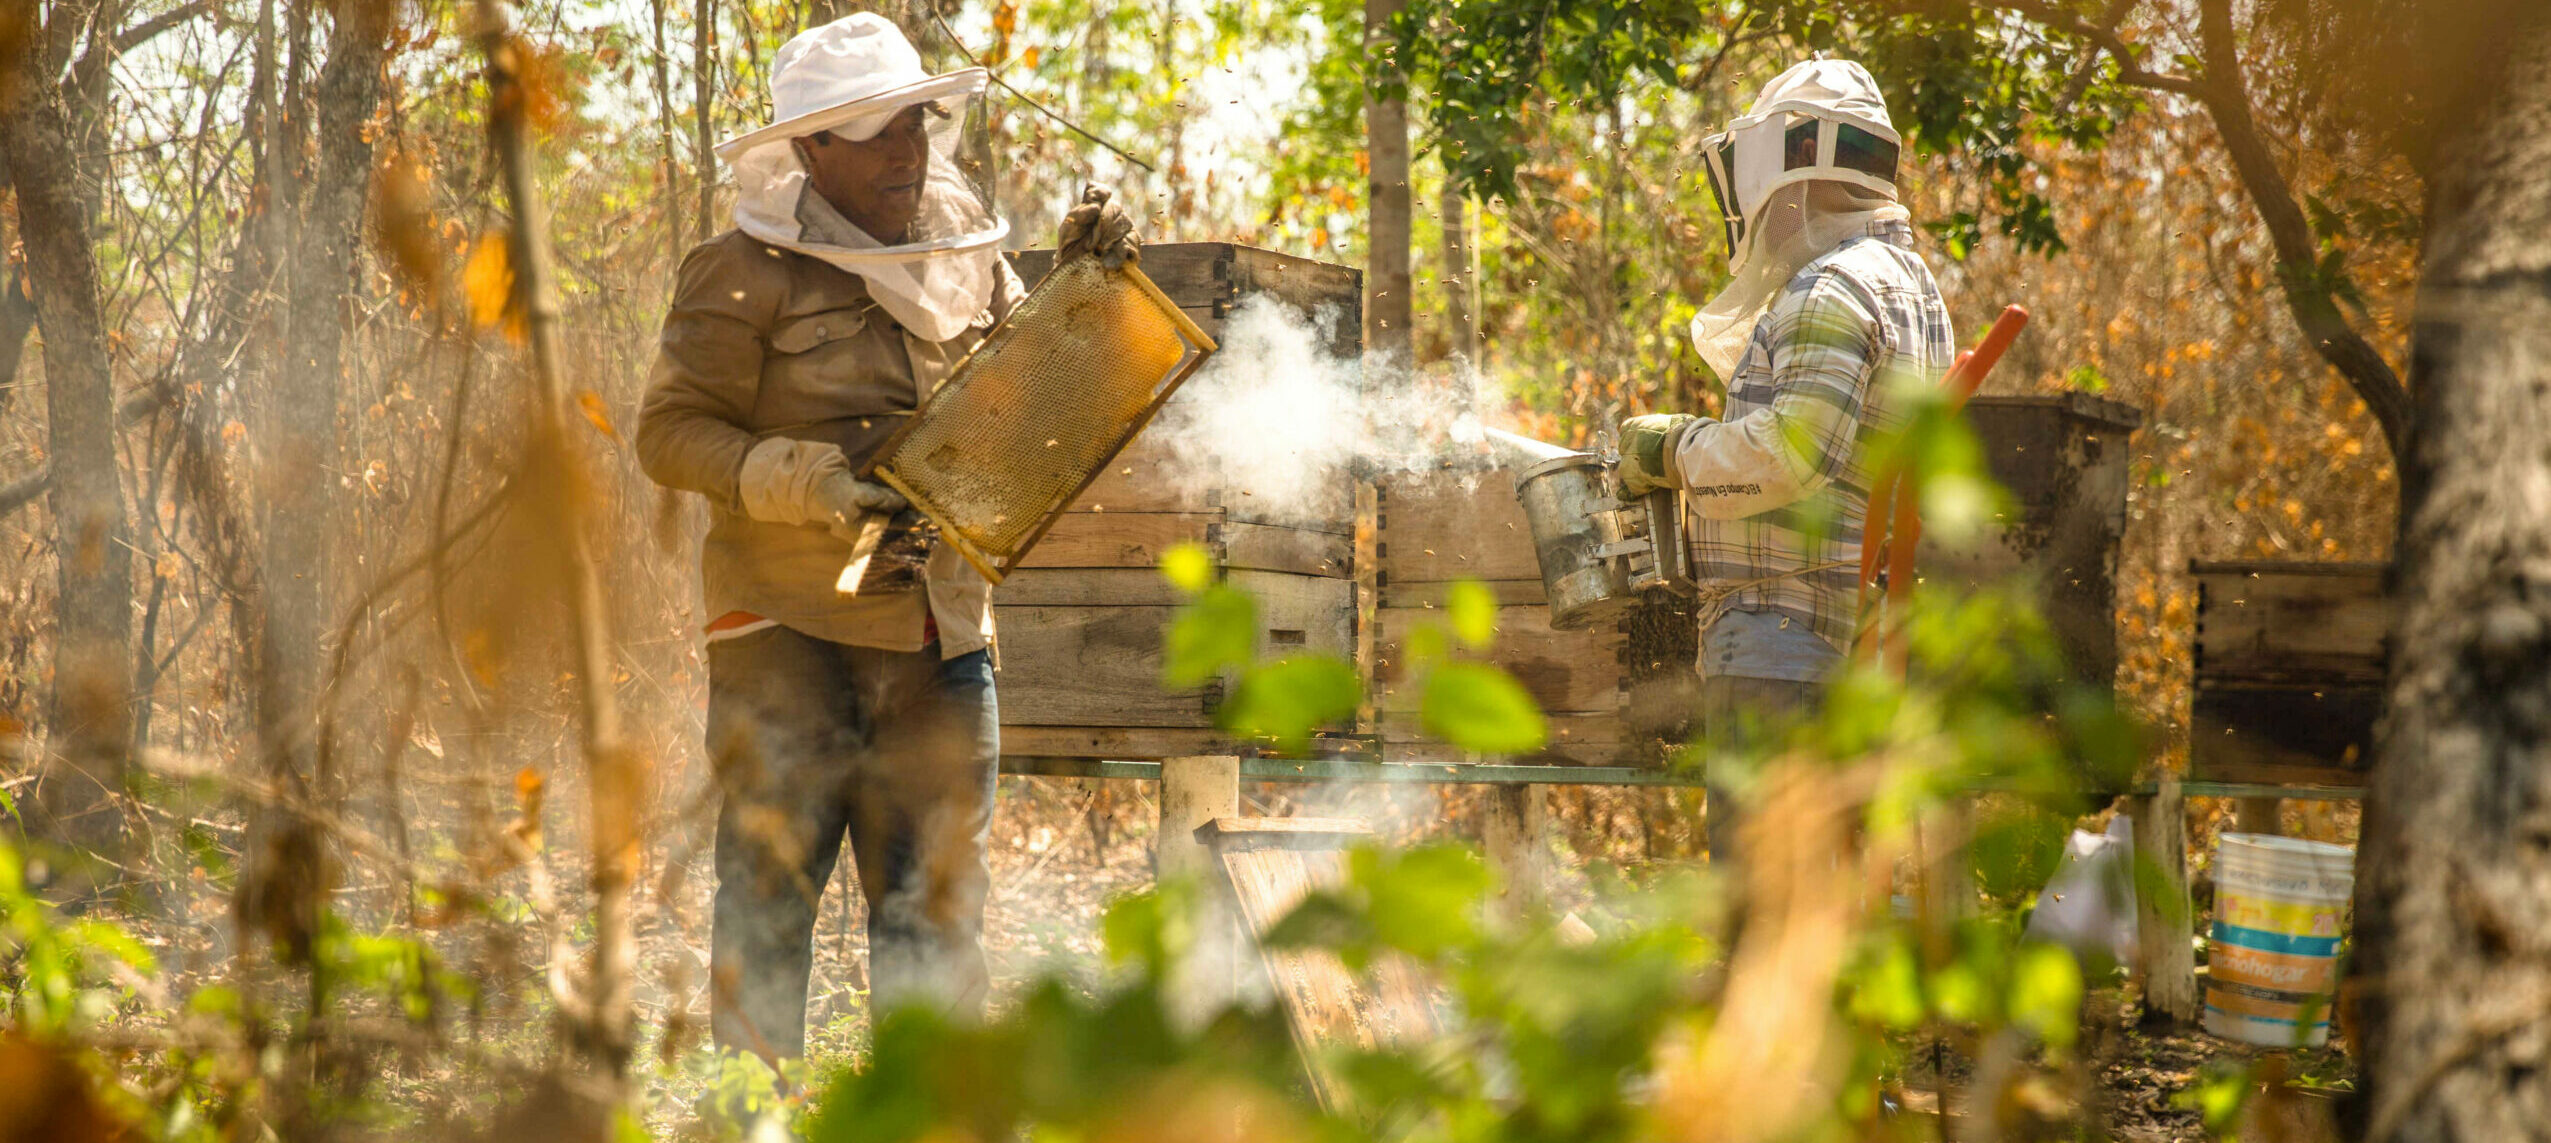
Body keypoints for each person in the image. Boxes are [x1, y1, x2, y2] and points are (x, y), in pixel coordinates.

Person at [635, 12, 1137, 1061]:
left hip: (940, 635)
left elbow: (1026, 387)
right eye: (875, 133)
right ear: (810, 149)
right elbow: (669, 434)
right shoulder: (739, 269)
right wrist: (805, 481)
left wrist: (1087, 285)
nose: (907, 149)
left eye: (914, 122)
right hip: (787, 630)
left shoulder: (963, 254)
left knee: (936, 918)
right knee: (770, 903)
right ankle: (750, 1124)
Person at [1612, 59, 1953, 863]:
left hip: (1782, 643)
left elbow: (1788, 454)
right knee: (1813, 924)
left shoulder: (1831, 288)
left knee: (1763, 923)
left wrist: (1670, 449)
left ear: (1787, 170)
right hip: (1848, 647)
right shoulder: (1911, 286)